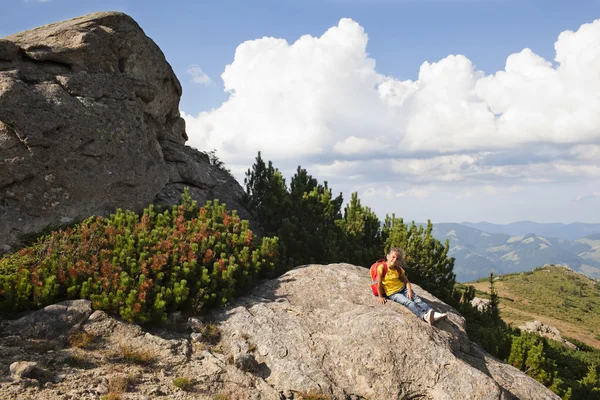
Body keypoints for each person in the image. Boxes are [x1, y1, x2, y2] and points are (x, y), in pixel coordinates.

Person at [376, 247, 447, 325]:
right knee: (409, 303)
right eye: (393, 257)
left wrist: (409, 291)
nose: (395, 259)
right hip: (393, 293)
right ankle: (424, 316)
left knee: (417, 300)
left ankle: (433, 313)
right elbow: (379, 283)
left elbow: (407, 282)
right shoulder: (382, 268)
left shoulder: (398, 269)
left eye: (398, 258)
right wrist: (380, 297)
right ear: (387, 256)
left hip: (403, 289)